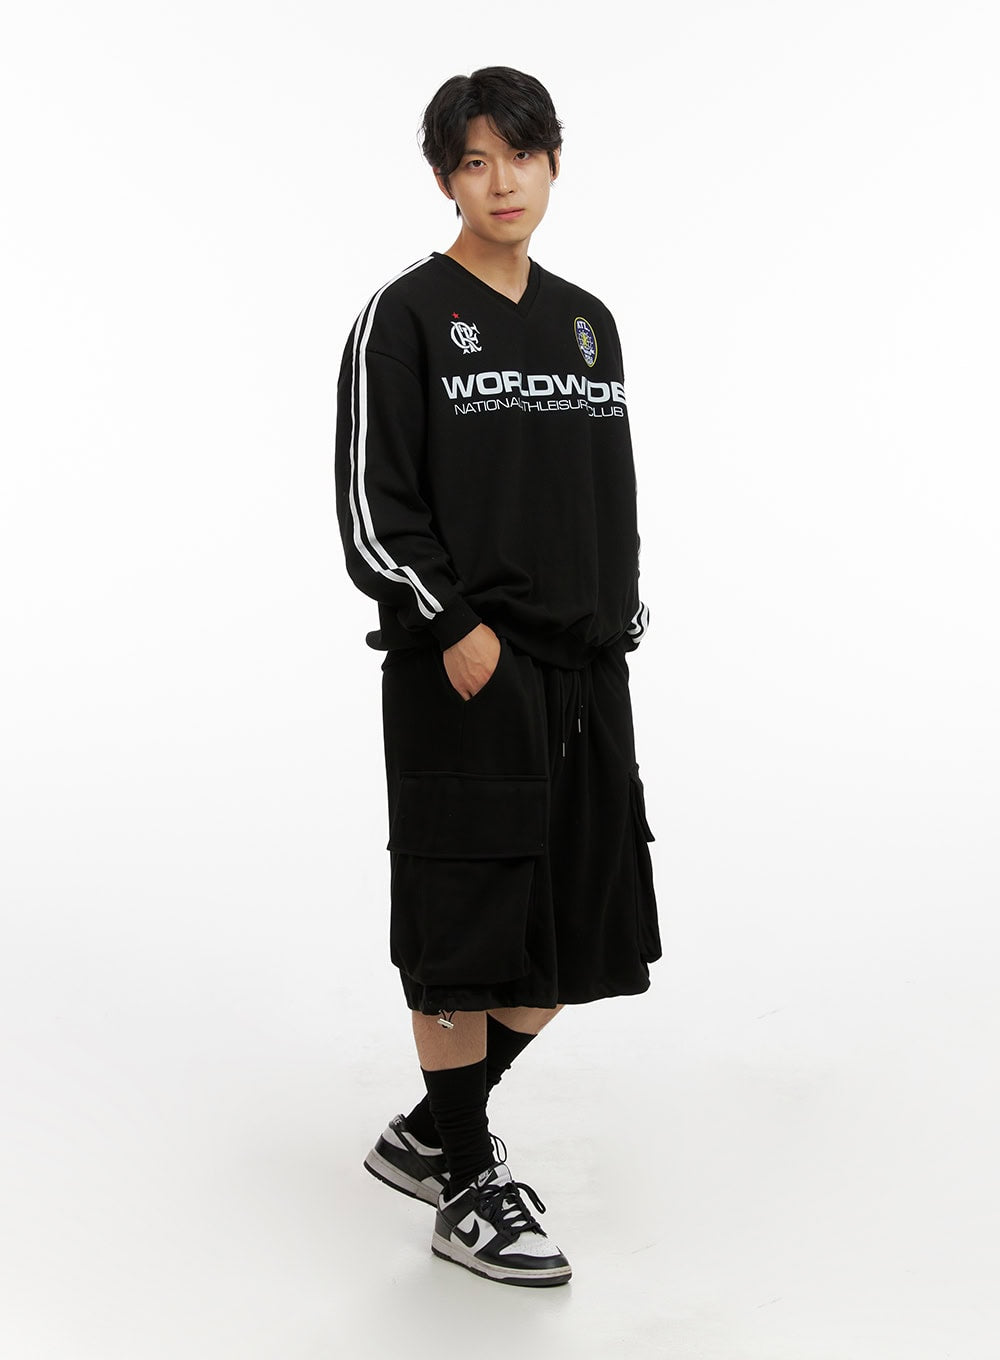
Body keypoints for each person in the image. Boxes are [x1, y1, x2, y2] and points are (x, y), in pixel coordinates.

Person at [334, 66, 660, 1289]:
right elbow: (373, 508)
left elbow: (610, 489)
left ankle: (431, 1129)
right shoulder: (405, 317)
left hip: (586, 672)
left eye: (519, 155)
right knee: (464, 932)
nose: (501, 181)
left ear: (552, 162)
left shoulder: (587, 322)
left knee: (579, 930)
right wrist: (453, 626)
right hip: (461, 670)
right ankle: (467, 1179)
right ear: (444, 181)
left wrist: (619, 615)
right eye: (474, 161)